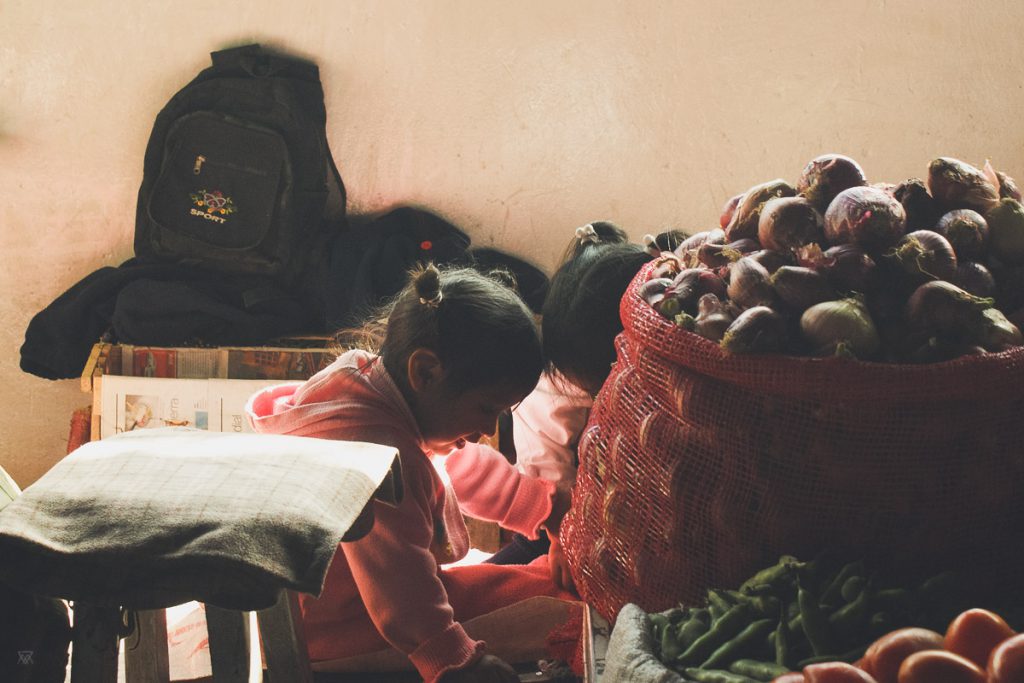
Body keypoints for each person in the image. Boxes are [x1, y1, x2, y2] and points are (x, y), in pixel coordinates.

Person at [246, 264, 574, 683]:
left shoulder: (370, 388)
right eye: (488, 409)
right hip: (337, 632)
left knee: (531, 580)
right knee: (556, 601)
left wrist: (551, 511)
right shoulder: (376, 458)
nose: (489, 431)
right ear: (426, 372)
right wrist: (455, 661)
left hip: (354, 607)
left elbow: (464, 469)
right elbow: (400, 593)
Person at [481, 222, 655, 576]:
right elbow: (548, 480)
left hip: (625, 501)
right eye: (596, 388)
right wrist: (562, 536)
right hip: (555, 507)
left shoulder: (657, 354)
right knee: (532, 562)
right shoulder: (549, 390)